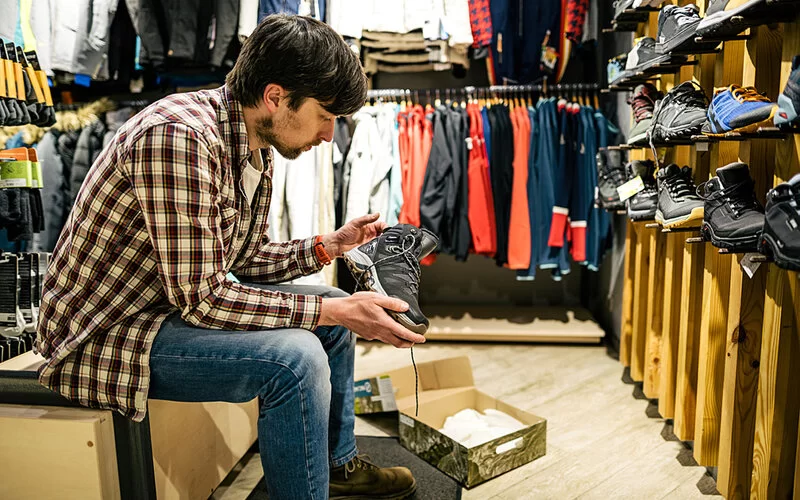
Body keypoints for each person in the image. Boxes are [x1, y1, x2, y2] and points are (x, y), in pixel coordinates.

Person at [35, 14, 425, 500]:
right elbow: (206, 298)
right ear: (276, 97)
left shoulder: (250, 142)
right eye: (325, 115)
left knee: (332, 314)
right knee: (299, 357)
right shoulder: (179, 138)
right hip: (105, 333)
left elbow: (242, 258)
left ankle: (334, 466)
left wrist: (327, 246)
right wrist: (334, 310)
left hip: (164, 307)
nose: (329, 135)